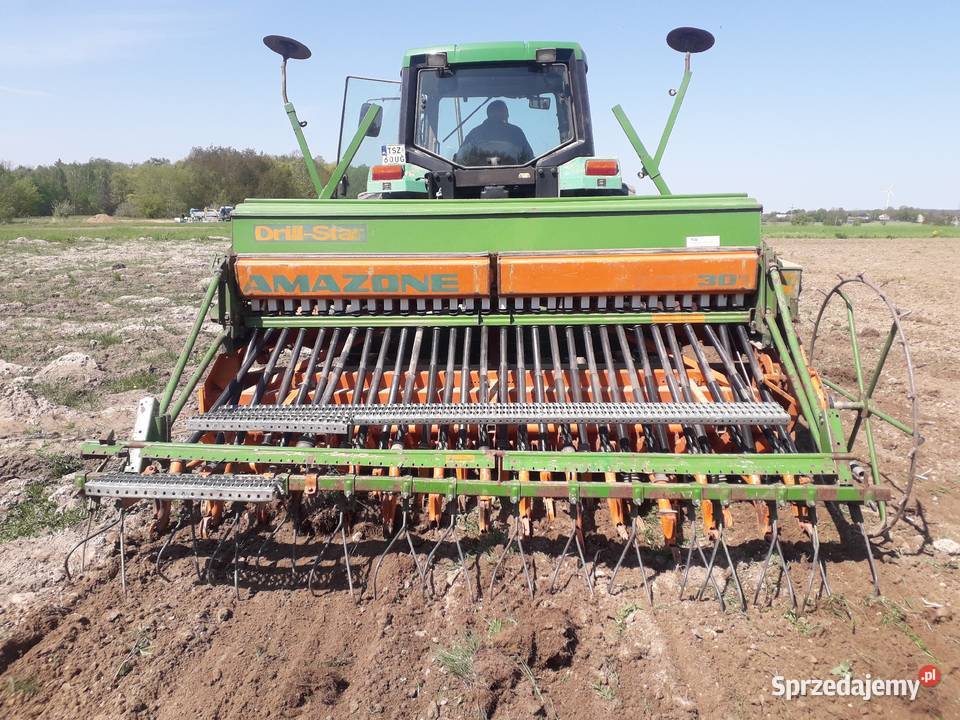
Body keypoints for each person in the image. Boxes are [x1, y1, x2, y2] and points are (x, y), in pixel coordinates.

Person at [455, 100, 534, 165]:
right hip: (517, 179)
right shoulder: (516, 132)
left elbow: (460, 159)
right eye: (504, 113)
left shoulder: (474, 133)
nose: (507, 115)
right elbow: (529, 159)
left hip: (476, 179)